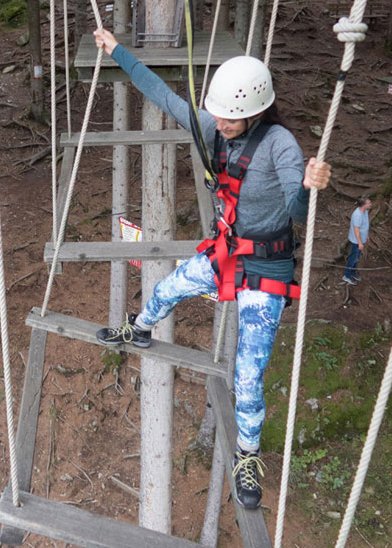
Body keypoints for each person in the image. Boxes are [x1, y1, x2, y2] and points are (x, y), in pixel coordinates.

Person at [91, 28, 332, 511]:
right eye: (218, 113)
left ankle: (247, 456)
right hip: (225, 252)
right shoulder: (212, 126)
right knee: (165, 289)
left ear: (256, 112)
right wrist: (117, 50)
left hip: (267, 267)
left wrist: (310, 185)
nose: (220, 122)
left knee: (247, 374)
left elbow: (298, 210)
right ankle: (136, 330)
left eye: (230, 117)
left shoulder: (280, 145)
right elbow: (161, 93)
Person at [343, 196, 372, 285]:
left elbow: (365, 225)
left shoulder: (365, 211)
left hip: (361, 239)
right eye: (369, 203)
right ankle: (347, 276)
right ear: (364, 205)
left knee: (357, 257)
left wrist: (366, 235)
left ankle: (352, 272)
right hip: (356, 241)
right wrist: (359, 242)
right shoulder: (357, 215)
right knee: (353, 258)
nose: (371, 204)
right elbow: (356, 229)